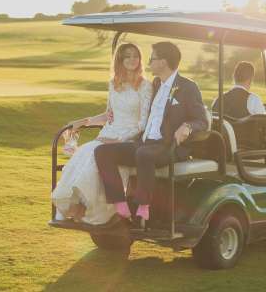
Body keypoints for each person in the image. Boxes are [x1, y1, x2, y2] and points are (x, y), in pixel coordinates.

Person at [94, 41, 208, 224]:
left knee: (143, 154)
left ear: (163, 62)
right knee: (102, 152)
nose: (148, 63)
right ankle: (119, 202)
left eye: (152, 59)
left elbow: (201, 120)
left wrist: (187, 126)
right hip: (146, 144)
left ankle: (143, 206)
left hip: (168, 146)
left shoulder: (187, 87)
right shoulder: (155, 83)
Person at [51, 43, 152, 225]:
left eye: (135, 56)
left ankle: (85, 208)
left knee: (94, 157)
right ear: (120, 60)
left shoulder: (145, 86)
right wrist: (85, 122)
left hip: (129, 138)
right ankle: (72, 204)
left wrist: (119, 139)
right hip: (109, 133)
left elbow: (143, 123)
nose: (132, 60)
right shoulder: (114, 85)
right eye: (127, 56)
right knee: (84, 152)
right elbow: (109, 115)